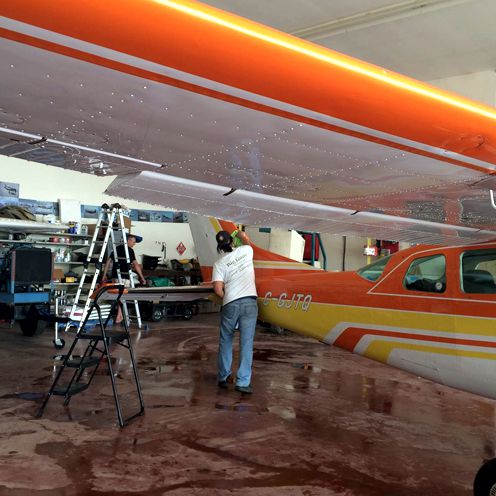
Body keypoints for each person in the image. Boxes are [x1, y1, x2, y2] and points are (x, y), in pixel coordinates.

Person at [212, 229, 258, 394]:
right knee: (246, 343)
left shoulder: (219, 263)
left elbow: (218, 290)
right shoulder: (246, 251)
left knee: (226, 340)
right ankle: (243, 382)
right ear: (232, 242)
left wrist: (228, 297)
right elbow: (246, 240)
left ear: (220, 247)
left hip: (230, 303)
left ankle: (224, 377)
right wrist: (240, 234)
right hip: (250, 302)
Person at [103, 234, 146, 324]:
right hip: (125, 277)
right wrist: (142, 277)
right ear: (128, 240)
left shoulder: (117, 248)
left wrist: (104, 274)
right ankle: (119, 315)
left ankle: (119, 315)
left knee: (117, 295)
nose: (134, 244)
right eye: (133, 242)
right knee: (122, 296)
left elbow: (108, 261)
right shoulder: (130, 251)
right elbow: (136, 265)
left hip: (115, 276)